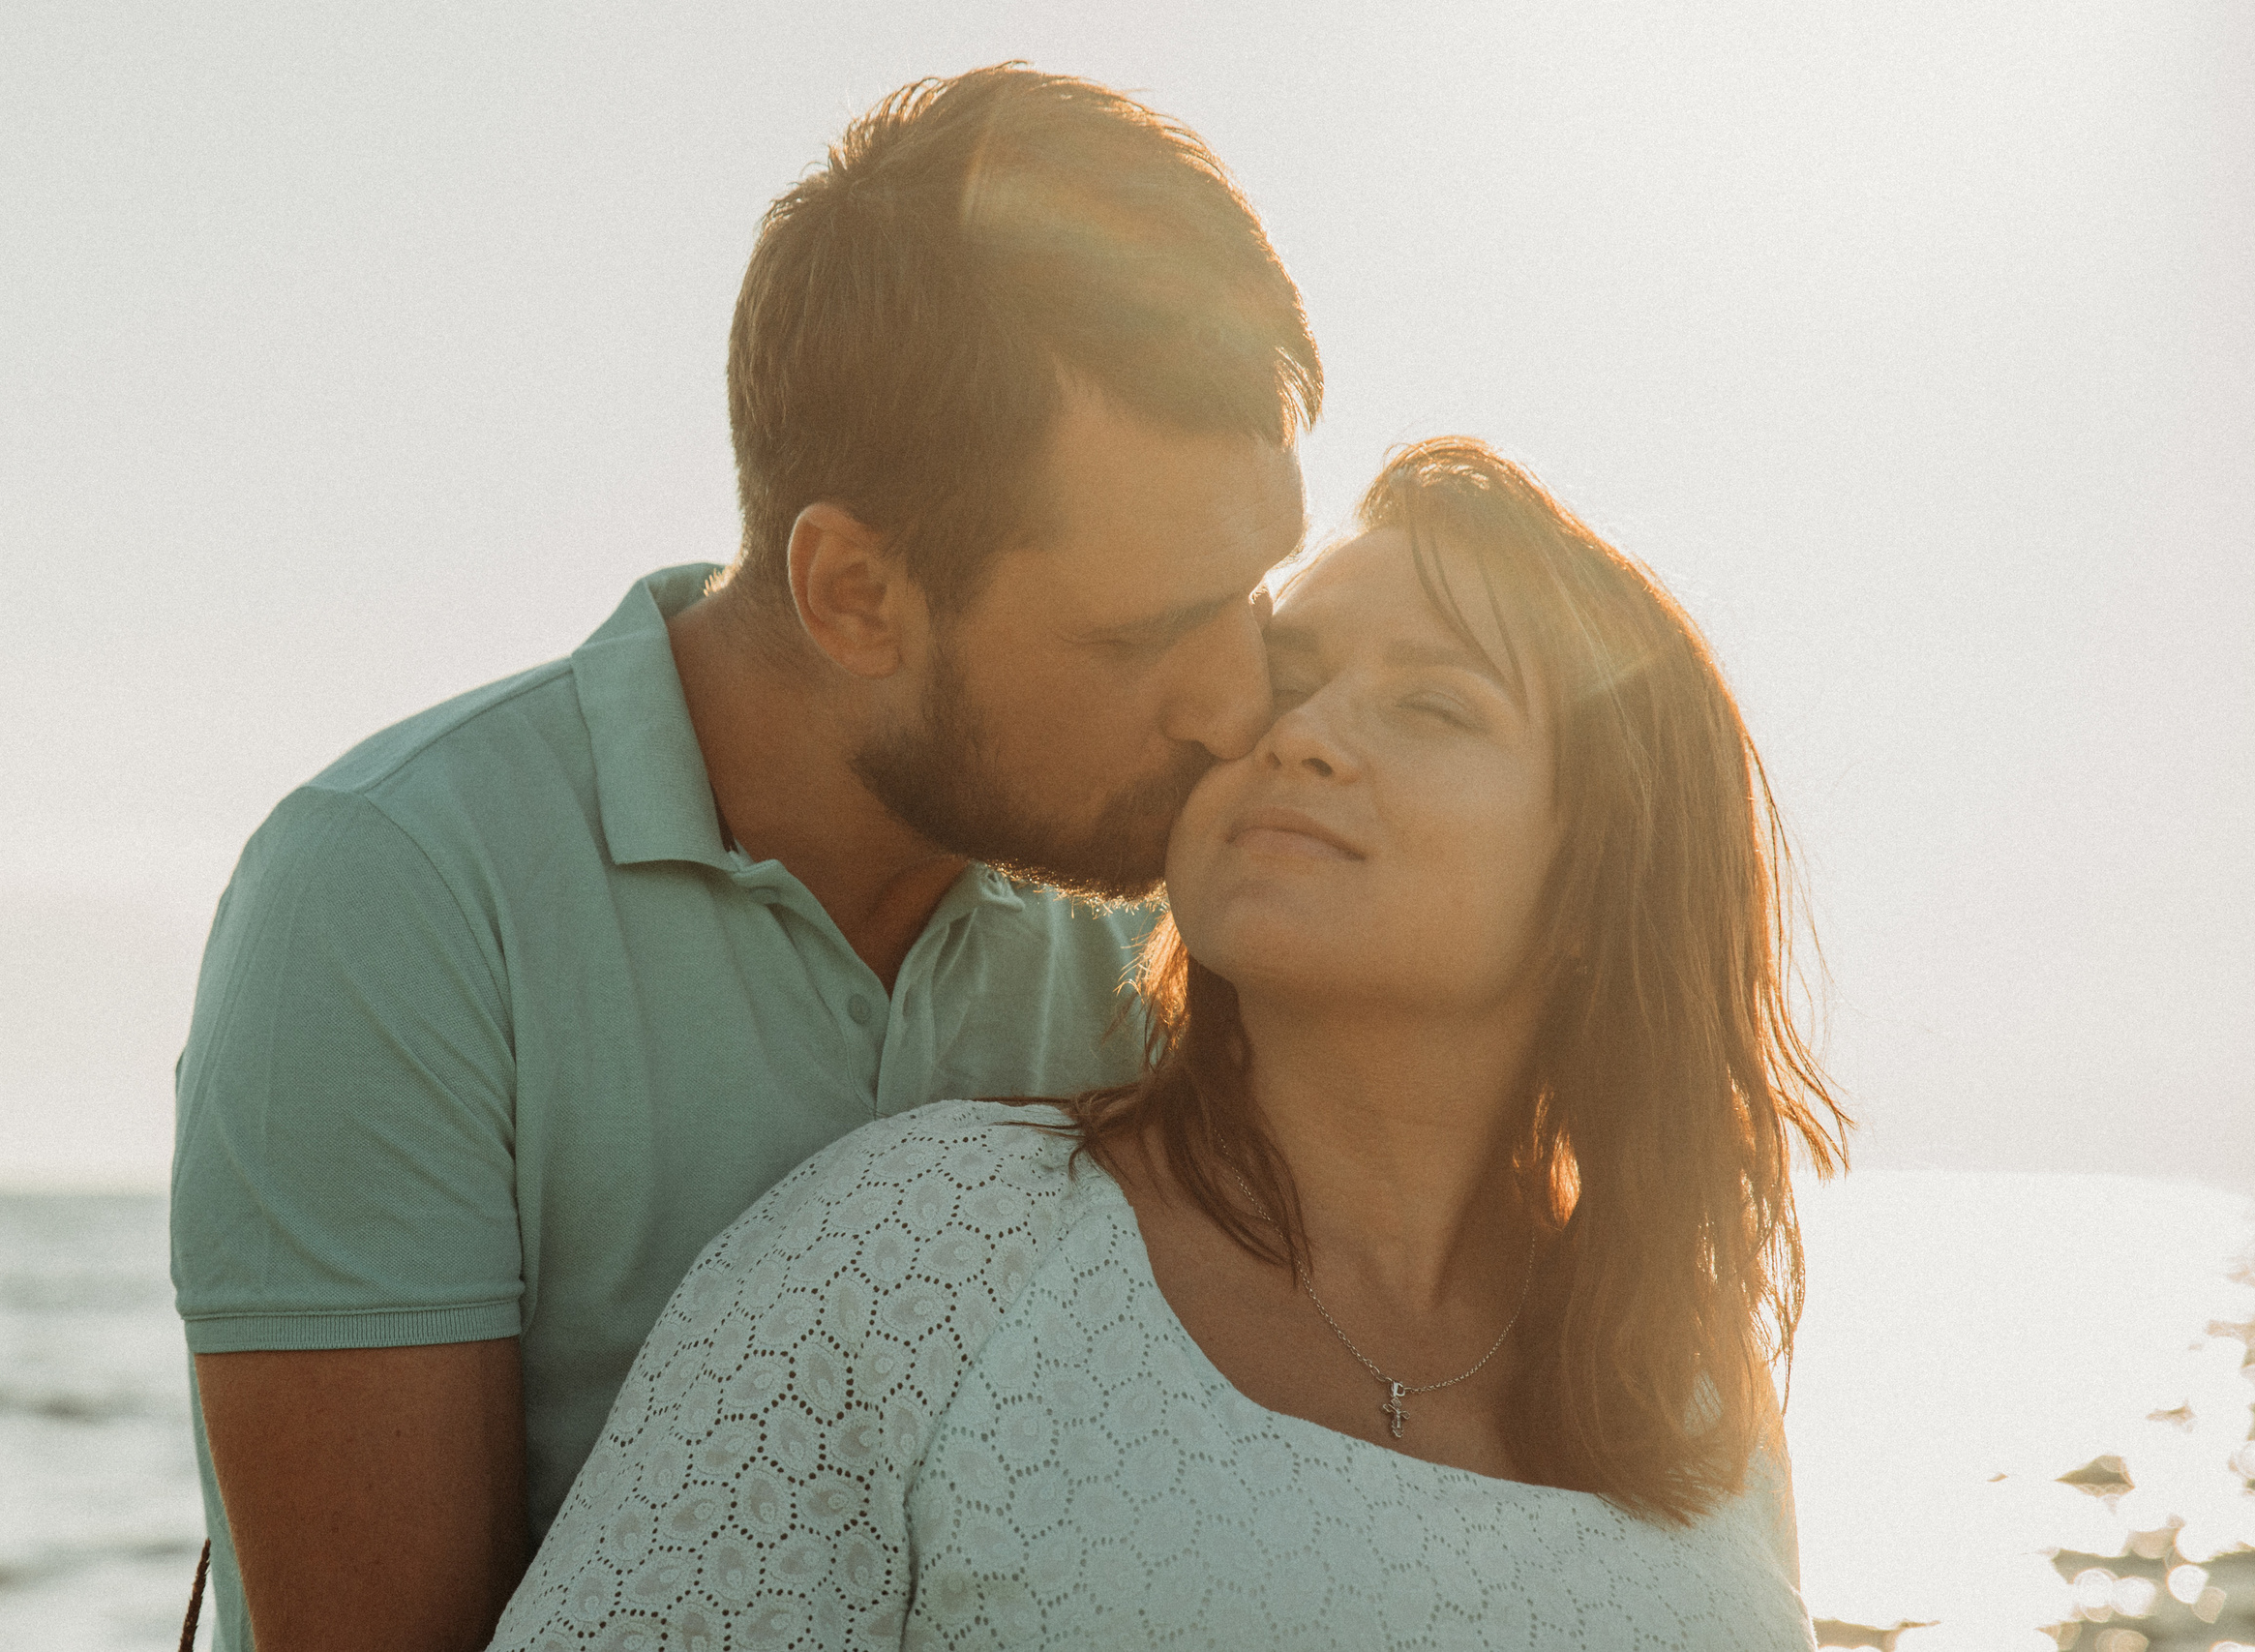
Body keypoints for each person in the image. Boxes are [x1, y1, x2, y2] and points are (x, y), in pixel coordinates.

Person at [168, 67, 1320, 1652]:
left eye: (1257, 594)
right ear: (853, 594)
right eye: (1145, 635)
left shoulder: (1180, 908)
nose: (1242, 707)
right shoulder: (392, 897)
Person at [492, 437, 1851, 1651]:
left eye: (1434, 705)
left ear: (1606, 882)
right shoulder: (920, 1252)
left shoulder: (1681, 1375)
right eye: (1289, 677)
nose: (1301, 735)